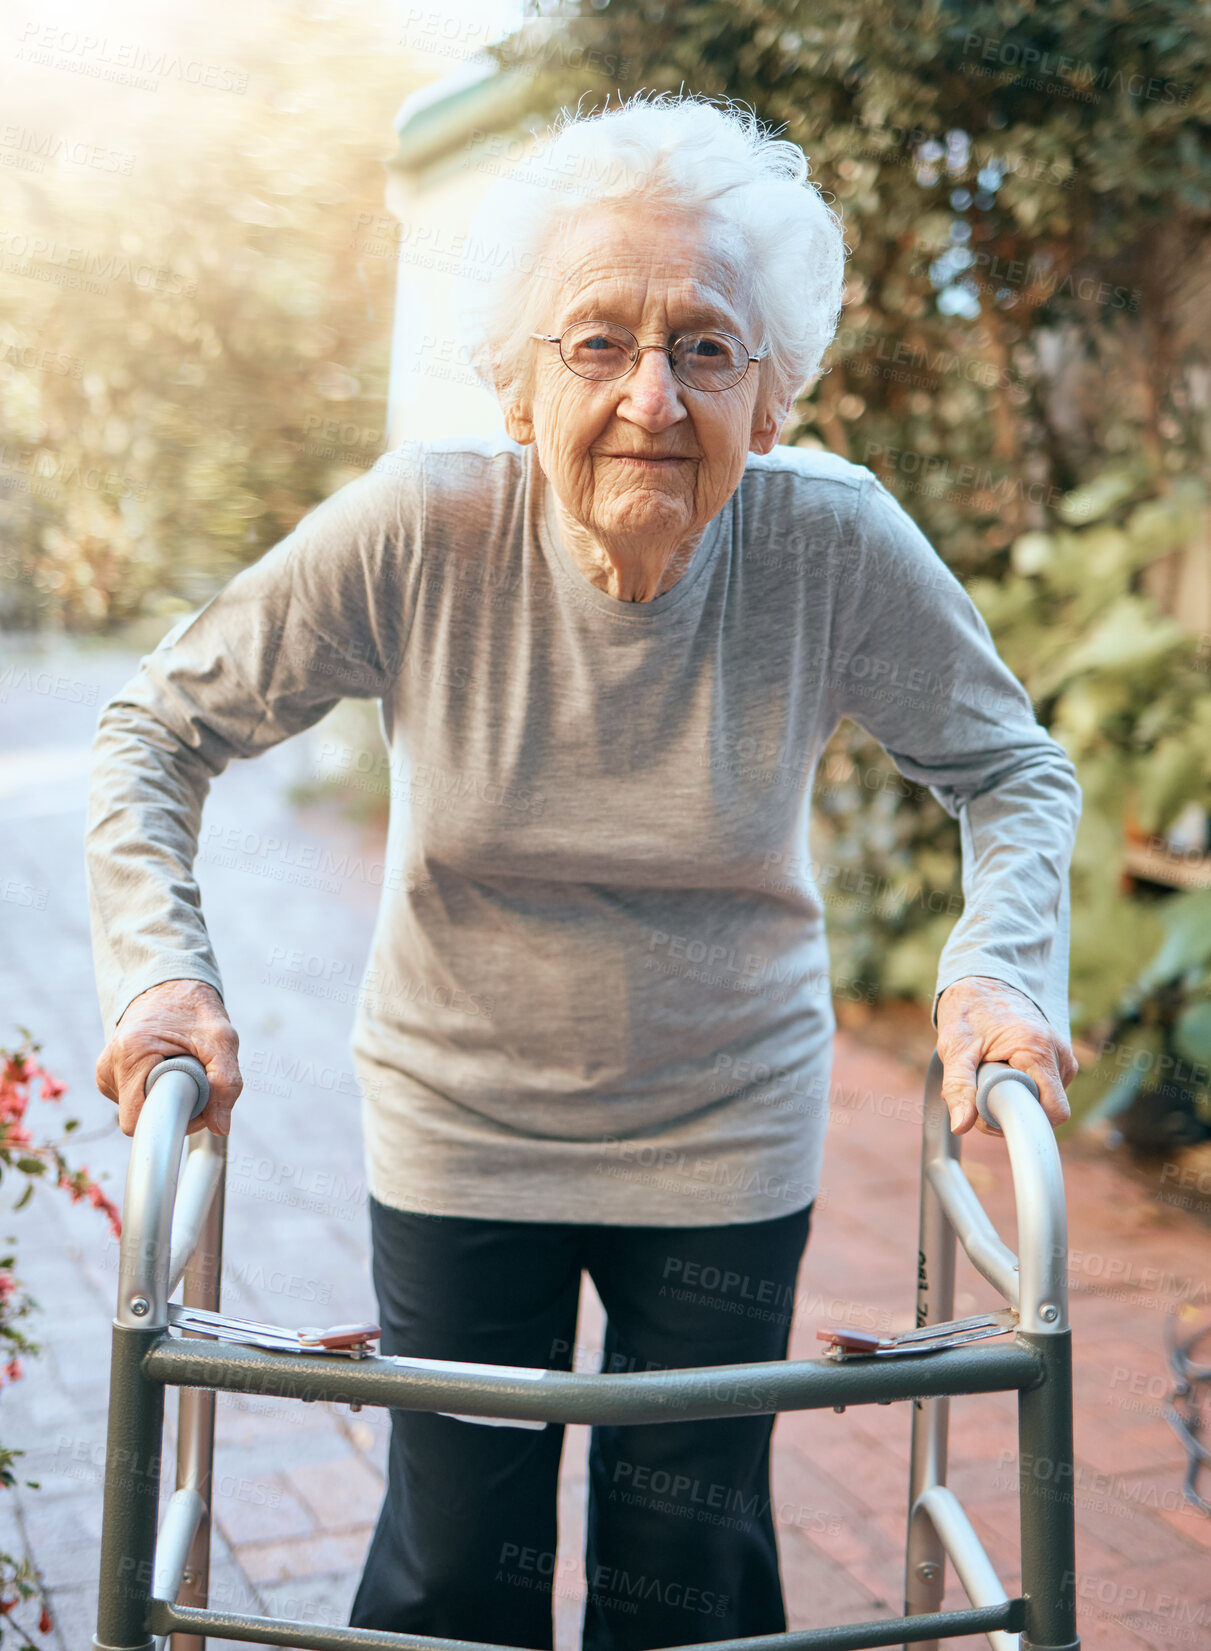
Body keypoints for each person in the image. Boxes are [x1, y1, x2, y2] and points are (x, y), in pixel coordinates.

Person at [86, 91, 1081, 1651]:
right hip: (461, 1120)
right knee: (453, 1564)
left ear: (775, 396)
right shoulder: (423, 531)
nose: (651, 397)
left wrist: (999, 967)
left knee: (687, 1572)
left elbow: (1013, 769)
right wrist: (162, 965)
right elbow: (155, 729)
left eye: (706, 348)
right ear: (513, 379)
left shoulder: (831, 545)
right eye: (595, 343)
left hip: (726, 1126)